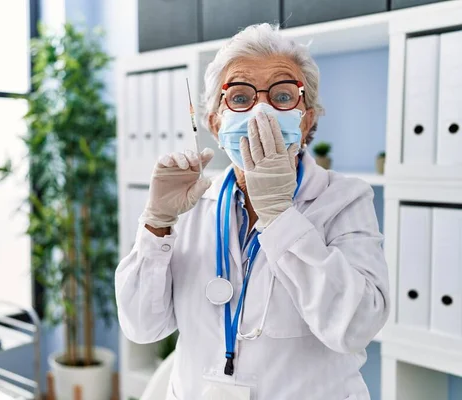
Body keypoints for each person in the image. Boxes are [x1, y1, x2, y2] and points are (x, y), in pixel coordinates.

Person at [115, 22, 389, 400]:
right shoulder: (193, 200)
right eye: (240, 98)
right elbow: (141, 326)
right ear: (214, 122)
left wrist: (280, 218)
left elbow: (355, 326)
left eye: (281, 95)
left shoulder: (344, 199)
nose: (261, 111)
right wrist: (156, 225)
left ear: (307, 117)